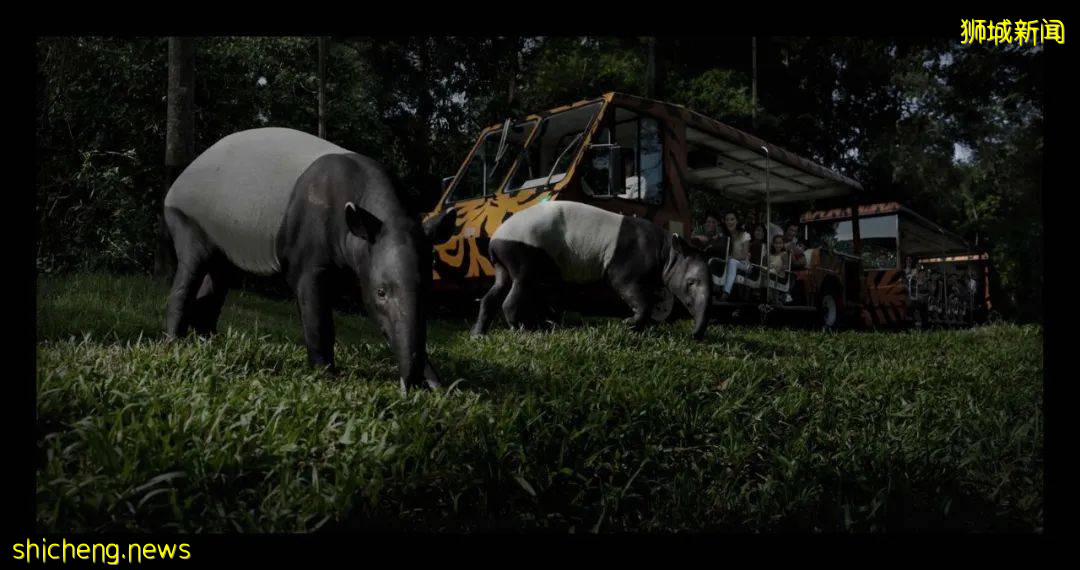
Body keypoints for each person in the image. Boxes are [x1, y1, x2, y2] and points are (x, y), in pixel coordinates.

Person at [719, 222, 766, 301]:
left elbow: (761, 261)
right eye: (757, 230)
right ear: (753, 232)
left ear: (764, 234)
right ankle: (726, 292)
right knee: (730, 262)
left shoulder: (764, 246)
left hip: (754, 268)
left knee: (732, 263)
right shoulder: (749, 243)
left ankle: (726, 293)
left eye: (761, 231)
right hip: (745, 264)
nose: (759, 232)